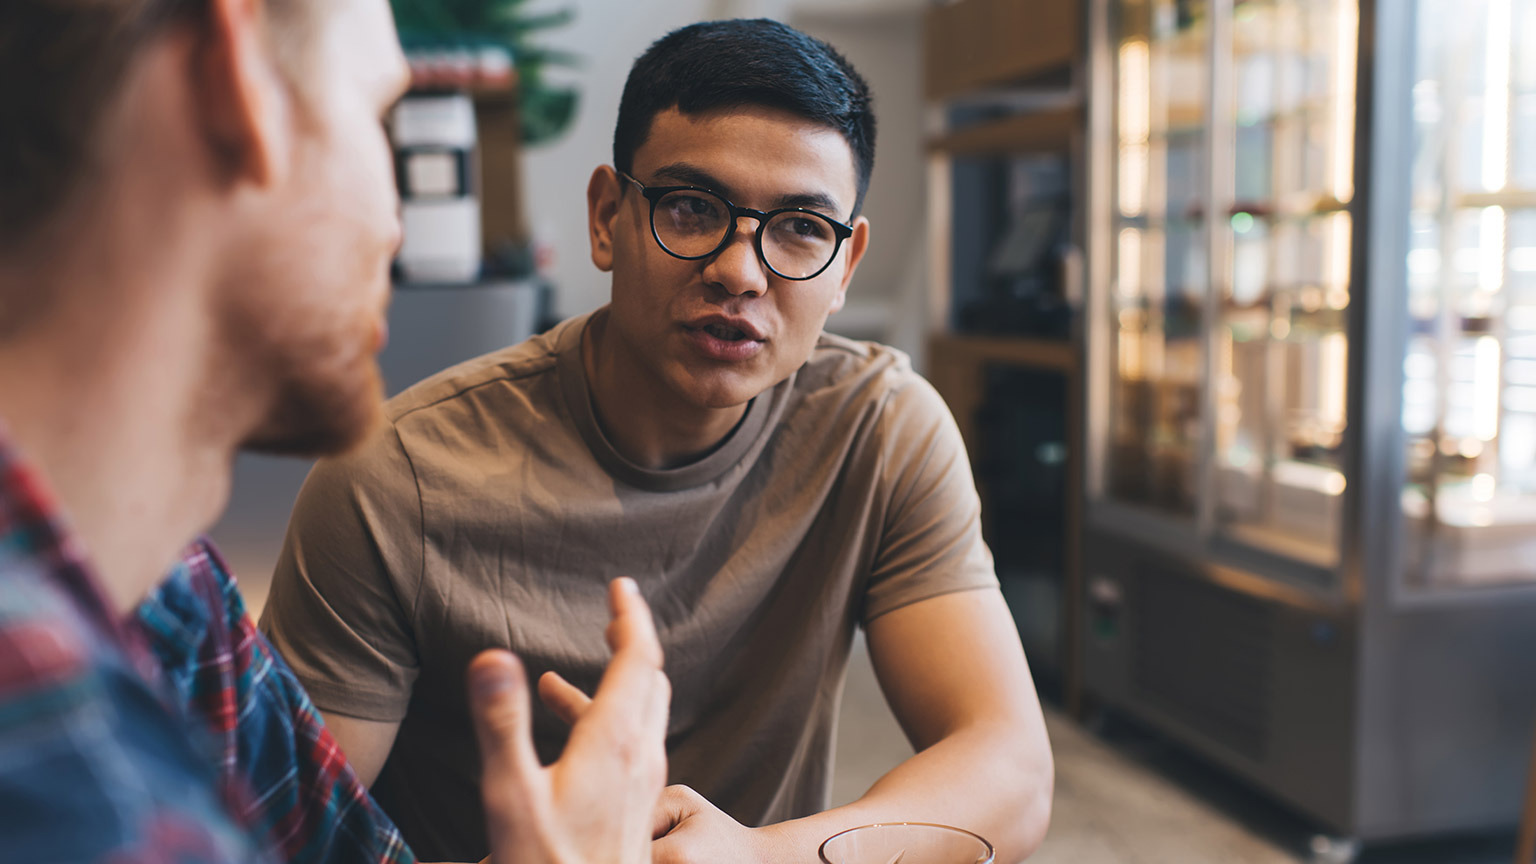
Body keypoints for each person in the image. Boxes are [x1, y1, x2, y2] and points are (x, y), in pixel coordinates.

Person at [260, 17, 1055, 864]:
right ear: (608, 217)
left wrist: (760, 859)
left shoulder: (880, 429)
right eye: (690, 208)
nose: (741, 271)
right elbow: (274, 839)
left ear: (845, 267)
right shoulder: (397, 477)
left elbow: (1007, 767)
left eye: (800, 229)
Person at [0, 0, 669, 862]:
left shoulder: (170, 585)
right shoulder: (43, 742)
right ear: (237, 80)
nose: (395, 221)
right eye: (376, 116)